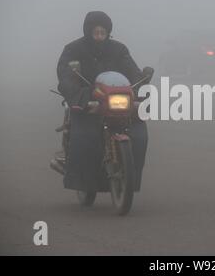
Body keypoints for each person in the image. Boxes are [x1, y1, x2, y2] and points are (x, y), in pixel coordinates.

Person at [56, 11, 148, 192]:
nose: (99, 36)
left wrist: (139, 86)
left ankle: (131, 177)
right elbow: (65, 74)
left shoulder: (119, 50)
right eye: (95, 32)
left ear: (108, 32)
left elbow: (133, 71)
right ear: (88, 31)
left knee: (139, 133)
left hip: (115, 99)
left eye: (102, 32)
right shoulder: (73, 49)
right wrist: (77, 92)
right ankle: (81, 180)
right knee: (84, 137)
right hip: (88, 99)